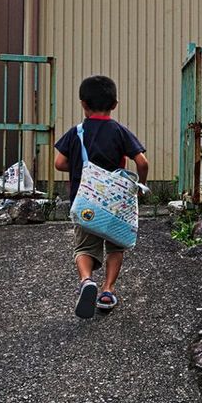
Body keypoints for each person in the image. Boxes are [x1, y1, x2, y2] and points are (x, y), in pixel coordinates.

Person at [54, 75, 148, 319]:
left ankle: (86, 281)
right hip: (115, 205)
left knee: (84, 247)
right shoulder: (119, 131)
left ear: (83, 104)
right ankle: (107, 290)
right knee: (116, 245)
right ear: (115, 104)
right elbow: (142, 162)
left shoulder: (77, 132)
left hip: (85, 202)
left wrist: (82, 168)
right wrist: (141, 185)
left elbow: (59, 163)